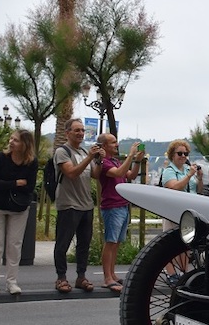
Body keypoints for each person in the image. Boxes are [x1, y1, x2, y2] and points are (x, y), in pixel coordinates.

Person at [53, 118, 104, 293]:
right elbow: (71, 173)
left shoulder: (83, 151)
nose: (81, 133)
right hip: (69, 204)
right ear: (67, 133)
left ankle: (81, 276)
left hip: (86, 204)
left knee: (84, 244)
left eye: (82, 130)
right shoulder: (62, 151)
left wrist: (98, 160)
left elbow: (95, 175)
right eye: (77, 130)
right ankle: (61, 278)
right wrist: (90, 156)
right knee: (63, 243)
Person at [0, 130, 38, 295]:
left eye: (15, 140)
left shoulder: (31, 162)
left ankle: (12, 281)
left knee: (14, 245)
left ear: (25, 144)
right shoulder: (1, 158)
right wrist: (16, 183)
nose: (11, 142)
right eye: (11, 139)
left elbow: (30, 186)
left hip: (19, 208)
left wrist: (8, 184)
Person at [92, 133, 145, 293]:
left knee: (116, 243)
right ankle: (107, 278)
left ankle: (112, 274)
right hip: (112, 206)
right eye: (113, 142)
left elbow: (131, 175)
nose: (117, 144)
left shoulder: (115, 161)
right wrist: (130, 155)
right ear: (105, 146)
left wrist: (137, 161)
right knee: (110, 241)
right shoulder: (105, 163)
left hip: (122, 205)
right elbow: (119, 173)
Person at [160, 139, 204, 283]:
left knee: (186, 244)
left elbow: (198, 190)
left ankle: (183, 272)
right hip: (173, 211)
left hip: (189, 210)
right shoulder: (168, 171)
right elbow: (174, 187)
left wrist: (200, 178)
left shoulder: (187, 169)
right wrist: (190, 175)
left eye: (186, 153)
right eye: (180, 153)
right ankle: (171, 274)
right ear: (172, 155)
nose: (183, 156)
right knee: (170, 244)